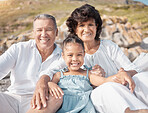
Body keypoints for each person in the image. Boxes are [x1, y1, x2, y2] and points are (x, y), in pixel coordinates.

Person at [32, 4, 148, 113]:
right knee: (109, 88)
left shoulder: (108, 46)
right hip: (99, 96)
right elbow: (49, 71)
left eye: (90, 25)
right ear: (75, 29)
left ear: (96, 27)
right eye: (82, 25)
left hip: (119, 84)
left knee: (141, 77)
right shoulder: (73, 54)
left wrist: (123, 74)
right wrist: (43, 83)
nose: (87, 29)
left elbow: (133, 69)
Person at [0, 14, 63, 113]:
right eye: (39, 30)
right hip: (11, 99)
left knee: (57, 97)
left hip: (41, 103)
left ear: (56, 32)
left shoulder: (63, 57)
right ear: (33, 33)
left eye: (48, 29)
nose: (43, 34)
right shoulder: (18, 49)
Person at [48, 34, 99, 113]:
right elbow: (50, 85)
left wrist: (113, 78)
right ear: (63, 56)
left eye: (79, 55)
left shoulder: (88, 73)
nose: (75, 59)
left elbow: (101, 82)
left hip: (84, 107)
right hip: (64, 108)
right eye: (70, 55)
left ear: (84, 54)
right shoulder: (59, 74)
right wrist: (50, 84)